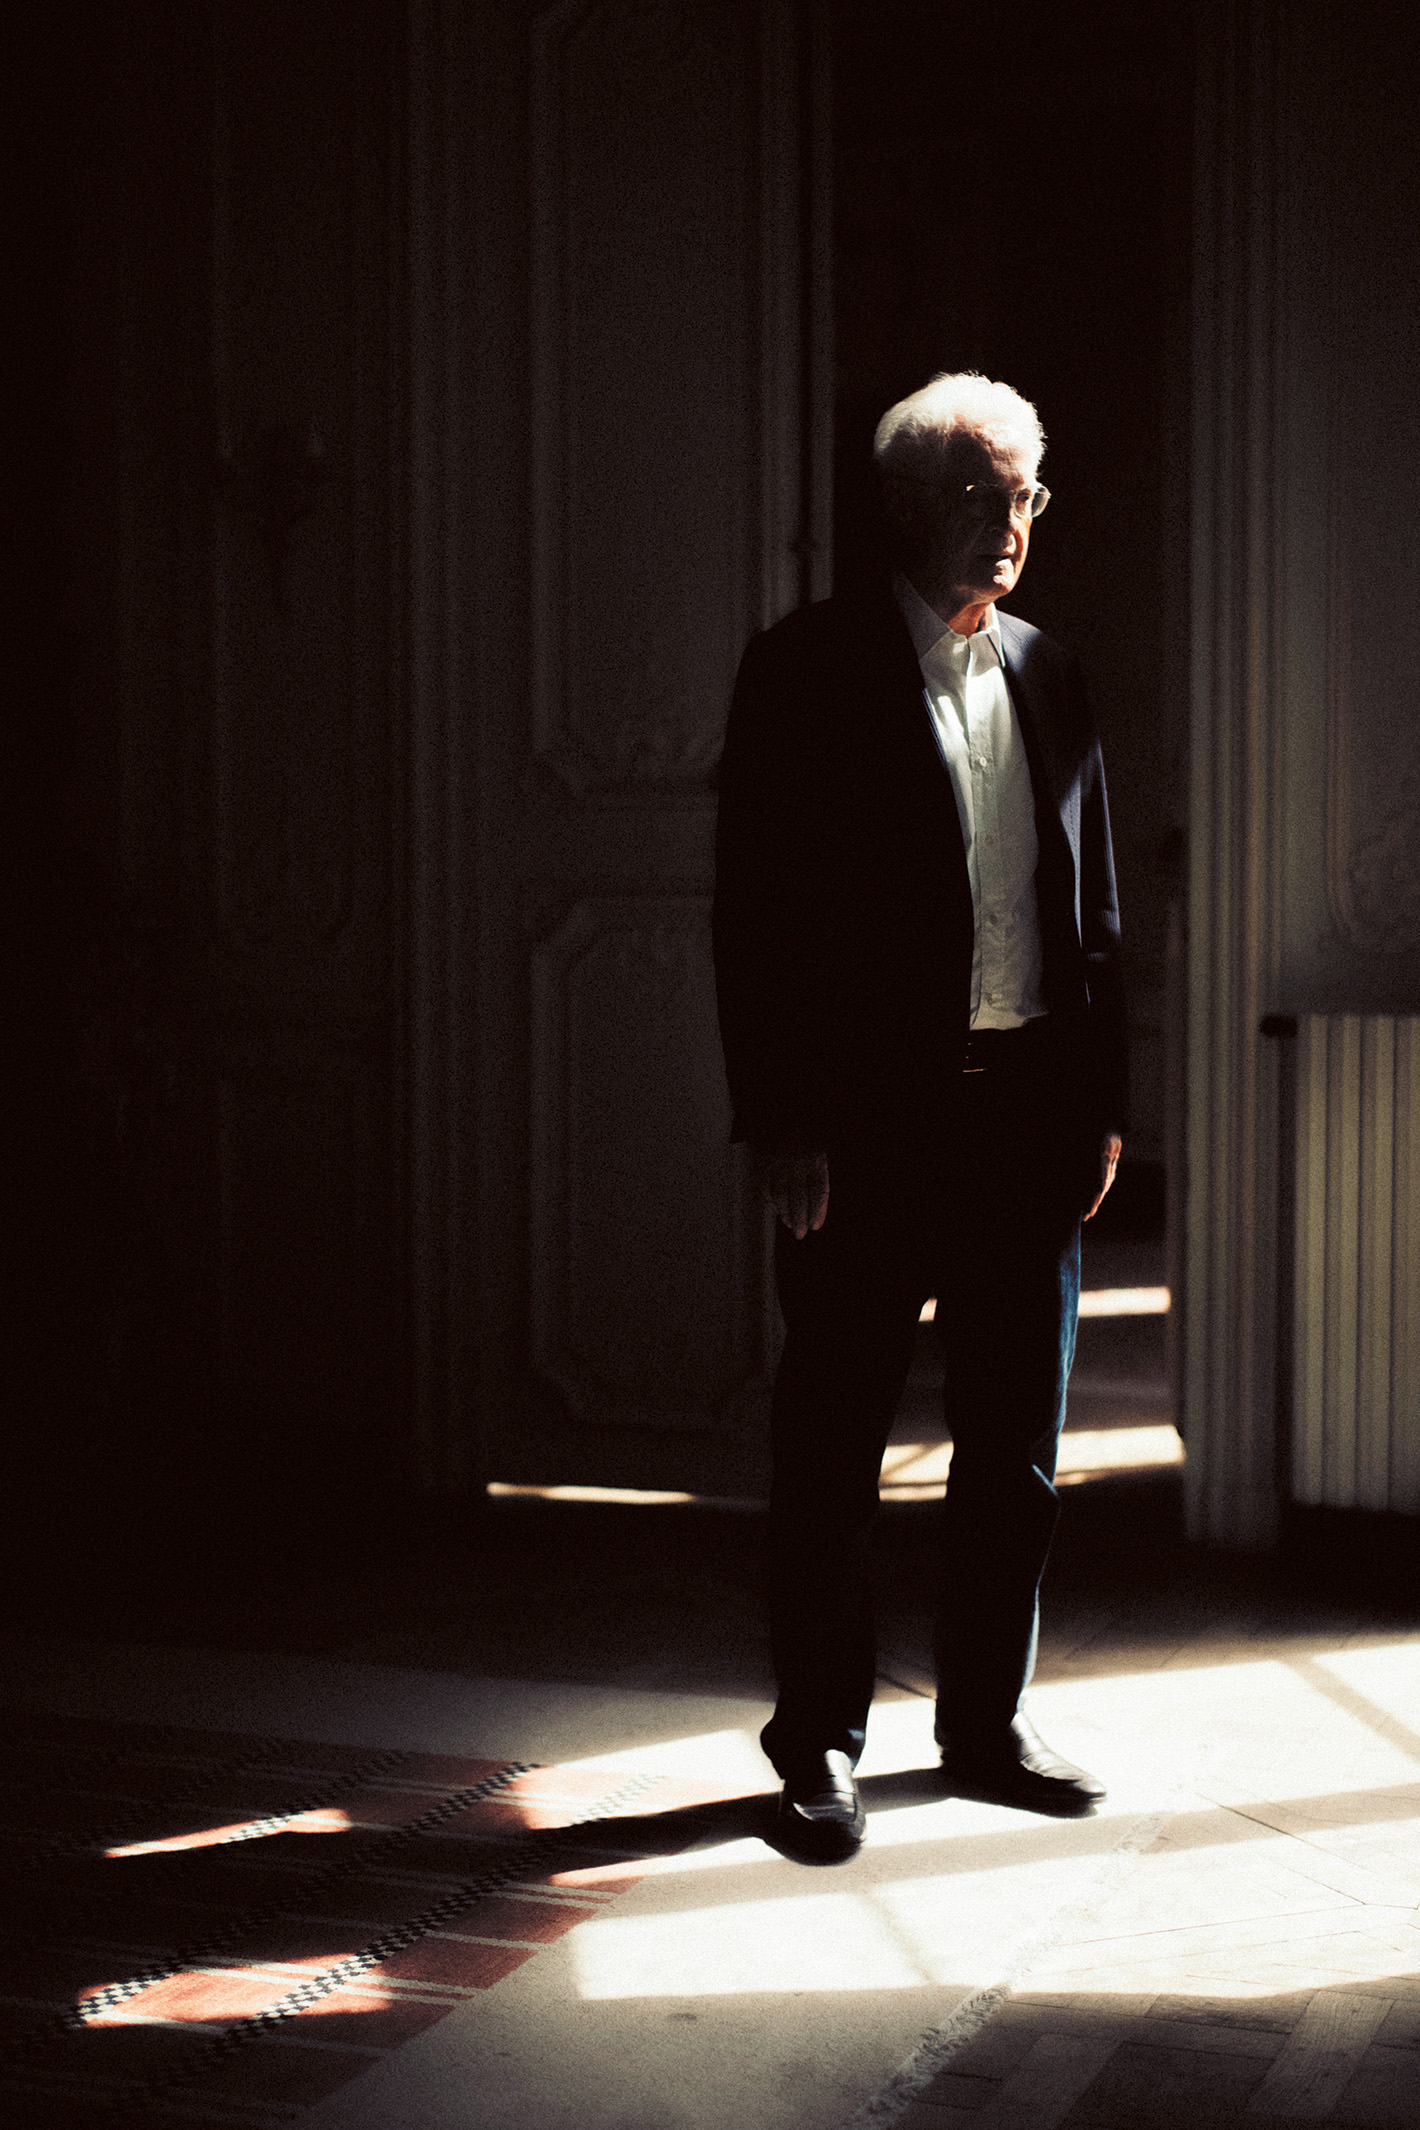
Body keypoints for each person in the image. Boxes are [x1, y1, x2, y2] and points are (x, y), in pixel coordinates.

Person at [712, 372, 1127, 1860]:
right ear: (905, 509)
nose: (1012, 523)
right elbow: (755, 913)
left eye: (1027, 495)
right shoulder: (805, 668)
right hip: (865, 1128)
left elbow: (1092, 912)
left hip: (1026, 1117)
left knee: (1016, 1443)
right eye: (981, 495)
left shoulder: (1052, 669)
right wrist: (784, 1119)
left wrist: (1100, 1109)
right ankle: (818, 1743)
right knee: (833, 1440)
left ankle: (985, 1726)